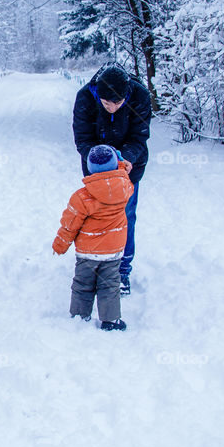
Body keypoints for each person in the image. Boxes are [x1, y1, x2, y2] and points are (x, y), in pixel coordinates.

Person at [72, 63, 151, 295]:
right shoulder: (85, 98)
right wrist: (100, 162)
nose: (113, 108)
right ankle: (95, 267)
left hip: (129, 169)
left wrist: (125, 159)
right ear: (99, 95)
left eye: (118, 103)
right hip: (96, 170)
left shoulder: (140, 96)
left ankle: (122, 270)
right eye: (107, 104)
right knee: (96, 217)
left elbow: (140, 136)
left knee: (125, 217)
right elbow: (82, 139)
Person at [52, 145, 134, 331]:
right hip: (113, 250)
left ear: (89, 168)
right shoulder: (125, 188)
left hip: (88, 251)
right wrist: (120, 163)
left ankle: (79, 317)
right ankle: (110, 321)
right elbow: (123, 173)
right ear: (115, 165)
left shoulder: (82, 197)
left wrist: (60, 245)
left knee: (83, 284)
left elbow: (70, 224)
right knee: (110, 285)